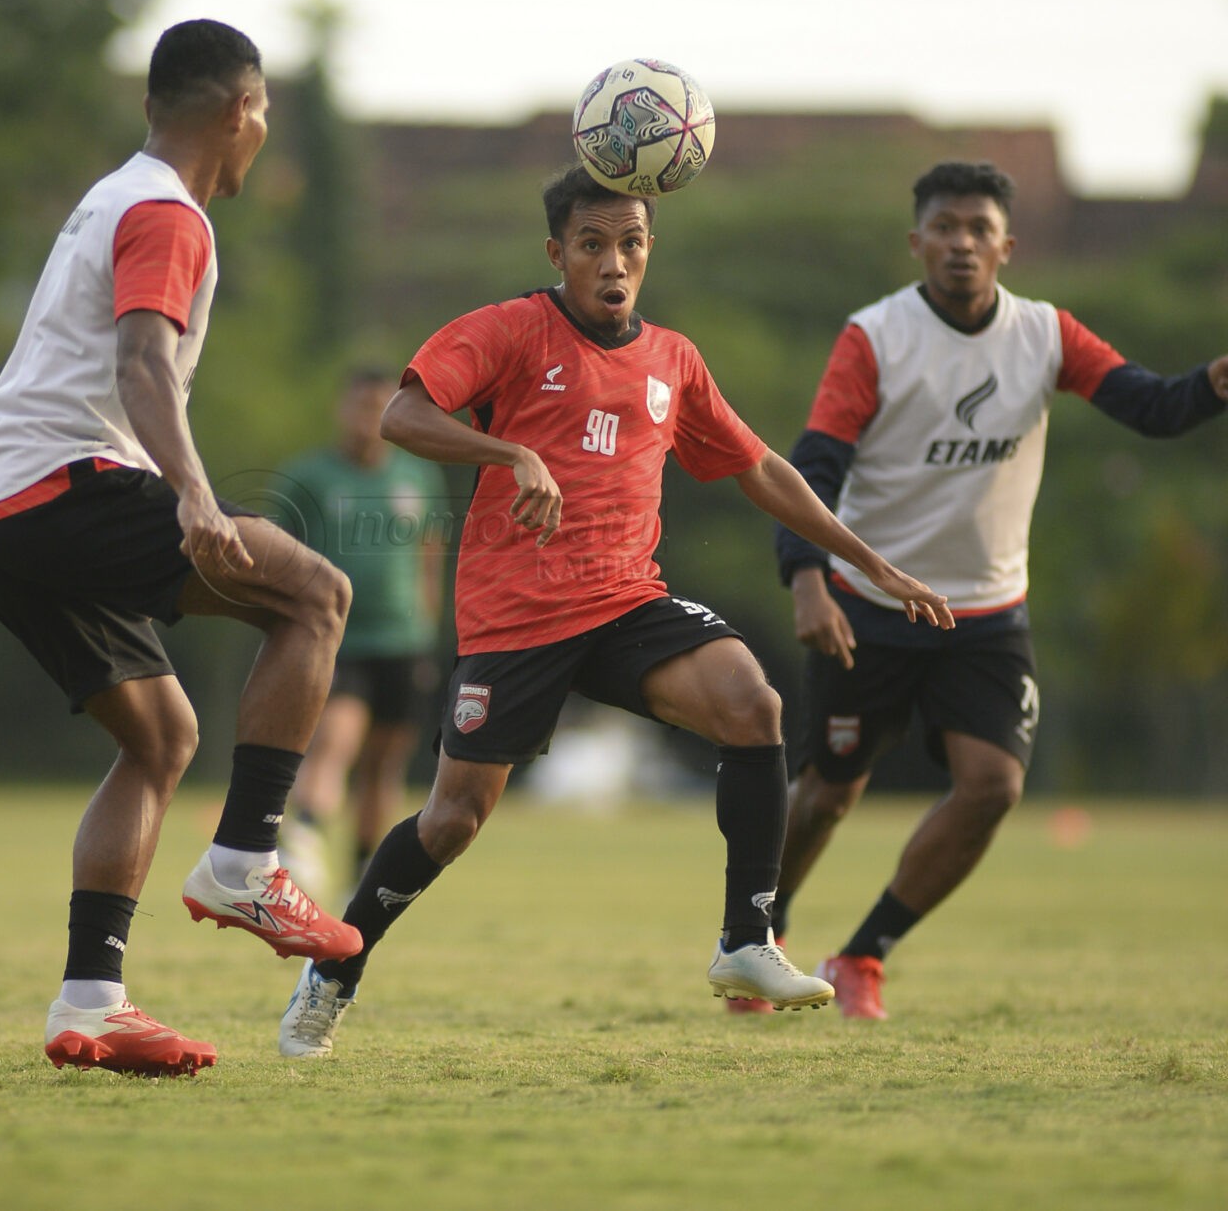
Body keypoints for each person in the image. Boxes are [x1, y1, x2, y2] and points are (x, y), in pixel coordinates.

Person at [276, 165, 955, 1058]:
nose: (614, 261)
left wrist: (868, 561)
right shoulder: (512, 329)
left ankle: (747, 941)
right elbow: (404, 416)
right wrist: (511, 452)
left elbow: (759, 467)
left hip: (626, 600)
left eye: (631, 244)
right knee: (451, 821)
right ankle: (334, 972)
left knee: (752, 704)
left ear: (648, 253)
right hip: (516, 618)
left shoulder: (674, 359)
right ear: (557, 252)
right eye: (592, 244)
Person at [0, 19, 360, 1079]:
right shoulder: (168, 213)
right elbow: (142, 362)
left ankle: (93, 997)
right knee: (314, 593)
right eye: (263, 112)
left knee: (161, 733)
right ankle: (246, 857)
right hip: (61, 484)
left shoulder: (112, 191)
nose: (262, 131)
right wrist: (194, 494)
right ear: (239, 110)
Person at [757, 160, 1228, 1020]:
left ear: (1008, 246)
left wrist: (1210, 386)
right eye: (945, 227)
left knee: (995, 787)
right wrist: (808, 580)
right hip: (870, 604)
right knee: (829, 792)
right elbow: (814, 468)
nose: (962, 244)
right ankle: (762, 936)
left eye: (979, 229)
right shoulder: (876, 337)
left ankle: (864, 953)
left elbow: (1151, 407)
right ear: (917, 242)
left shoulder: (1045, 335)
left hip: (986, 613)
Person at [277, 367, 447, 901]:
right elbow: (276, 556)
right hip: (334, 637)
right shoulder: (309, 477)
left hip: (402, 640)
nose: (368, 419)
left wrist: (427, 632)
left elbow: (430, 559)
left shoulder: (417, 478)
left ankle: (363, 872)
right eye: (360, 406)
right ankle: (303, 830)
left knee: (385, 759)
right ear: (341, 410)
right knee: (337, 736)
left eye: (380, 408)